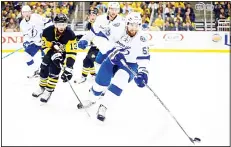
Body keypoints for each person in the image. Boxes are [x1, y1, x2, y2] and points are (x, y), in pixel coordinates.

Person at [78, 12, 150, 122]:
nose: (134, 28)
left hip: (130, 64)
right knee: (99, 84)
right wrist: (111, 50)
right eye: (131, 25)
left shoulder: (142, 39)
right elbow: (99, 38)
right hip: (112, 59)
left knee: (119, 82)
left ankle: (104, 106)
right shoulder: (116, 27)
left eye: (137, 25)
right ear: (126, 23)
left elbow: (143, 58)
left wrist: (143, 73)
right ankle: (91, 99)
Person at [32, 14, 77, 103]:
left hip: (62, 54)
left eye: (63, 24)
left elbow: (72, 52)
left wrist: (69, 68)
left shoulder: (70, 35)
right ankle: (42, 87)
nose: (61, 27)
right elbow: (45, 46)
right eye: (59, 24)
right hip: (50, 52)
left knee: (54, 71)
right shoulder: (47, 31)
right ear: (55, 24)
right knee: (44, 68)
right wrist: (52, 54)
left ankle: (49, 90)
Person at [77, 2, 124, 75]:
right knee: (98, 67)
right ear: (108, 9)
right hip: (103, 50)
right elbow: (92, 33)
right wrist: (84, 39)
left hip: (116, 51)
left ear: (118, 10)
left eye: (116, 9)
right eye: (112, 9)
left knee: (116, 73)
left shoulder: (122, 22)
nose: (114, 12)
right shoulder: (100, 19)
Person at [20, 5, 53, 78]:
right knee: (26, 56)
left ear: (30, 12)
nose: (26, 14)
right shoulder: (22, 24)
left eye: (27, 12)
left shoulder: (36, 17)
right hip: (35, 43)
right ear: (22, 13)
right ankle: (36, 71)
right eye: (24, 12)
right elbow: (26, 35)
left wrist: (46, 34)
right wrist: (26, 42)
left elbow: (49, 22)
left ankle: (49, 72)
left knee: (45, 59)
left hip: (44, 41)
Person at [75, 8, 99, 84]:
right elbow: (90, 35)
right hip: (94, 47)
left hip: (100, 47)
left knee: (88, 60)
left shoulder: (99, 24)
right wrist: (82, 37)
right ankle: (93, 74)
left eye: (94, 15)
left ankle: (84, 77)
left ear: (97, 16)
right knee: (89, 60)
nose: (92, 17)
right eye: (90, 15)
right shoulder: (89, 24)